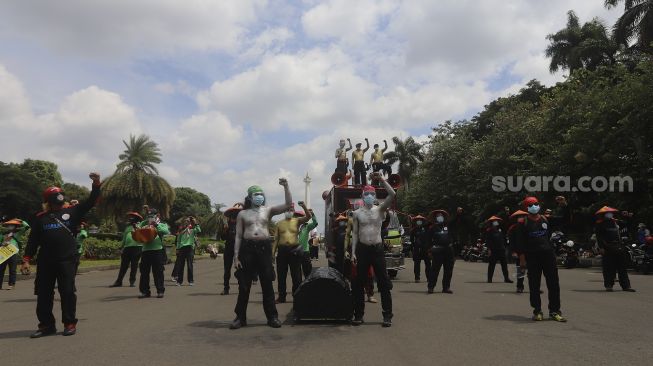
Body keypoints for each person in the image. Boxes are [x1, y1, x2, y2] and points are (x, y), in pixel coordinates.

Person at [22, 172, 101, 338]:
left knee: (67, 292)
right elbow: (33, 240)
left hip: (67, 260)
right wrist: (26, 259)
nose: (58, 197)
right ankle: (46, 326)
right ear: (47, 200)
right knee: (43, 294)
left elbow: (92, 201)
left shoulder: (73, 211)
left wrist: (96, 183)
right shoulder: (40, 218)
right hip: (45, 262)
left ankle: (69, 323)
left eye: (59, 194)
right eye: (54, 195)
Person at [230, 179, 292, 330]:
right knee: (244, 285)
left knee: (267, 283)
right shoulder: (242, 214)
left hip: (264, 248)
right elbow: (238, 235)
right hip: (247, 248)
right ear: (250, 197)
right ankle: (240, 317)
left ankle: (272, 317)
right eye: (257, 194)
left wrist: (286, 186)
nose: (260, 196)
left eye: (261, 194)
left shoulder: (268, 210)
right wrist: (236, 256)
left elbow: (287, 205)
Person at [351, 173, 396, 327]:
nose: (369, 196)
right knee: (357, 283)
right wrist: (352, 253)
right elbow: (355, 234)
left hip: (377, 249)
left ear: (375, 195)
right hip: (362, 250)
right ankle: (358, 315)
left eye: (372, 193)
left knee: (383, 282)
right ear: (362, 195)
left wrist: (382, 179)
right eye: (366, 193)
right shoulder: (356, 213)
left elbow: (392, 193)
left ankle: (387, 315)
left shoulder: (380, 209)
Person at [513, 196, 566, 322]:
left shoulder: (545, 219)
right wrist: (522, 259)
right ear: (526, 208)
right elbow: (519, 243)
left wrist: (563, 205)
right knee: (534, 285)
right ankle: (537, 311)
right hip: (532, 257)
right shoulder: (522, 223)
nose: (533, 206)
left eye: (535, 204)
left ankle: (554, 311)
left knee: (553, 284)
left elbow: (564, 219)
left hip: (548, 255)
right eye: (530, 205)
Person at [272, 202, 311, 303]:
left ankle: (297, 296)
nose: (288, 211)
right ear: (284, 211)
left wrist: (304, 206)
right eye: (287, 210)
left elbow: (308, 217)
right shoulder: (279, 223)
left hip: (294, 250)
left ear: (293, 211)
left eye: (290, 210)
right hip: (282, 250)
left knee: (296, 275)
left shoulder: (297, 221)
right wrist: (272, 253)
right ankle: (281, 296)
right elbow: (276, 239)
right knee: (281, 275)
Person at [594, 206, 635, 292]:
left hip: (619, 247)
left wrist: (628, 217)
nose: (610, 214)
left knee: (622, 268)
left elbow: (628, 225)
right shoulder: (600, 224)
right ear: (604, 215)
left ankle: (626, 286)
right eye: (608, 213)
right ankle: (609, 285)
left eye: (611, 213)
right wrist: (601, 247)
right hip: (607, 248)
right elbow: (599, 237)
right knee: (609, 268)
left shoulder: (615, 222)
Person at [136, 209, 170, 299]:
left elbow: (166, 232)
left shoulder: (162, 224)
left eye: (152, 215)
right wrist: (145, 222)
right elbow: (137, 229)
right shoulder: (144, 225)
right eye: (149, 215)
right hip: (146, 250)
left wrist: (156, 224)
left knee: (158, 272)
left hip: (157, 250)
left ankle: (160, 291)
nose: (150, 217)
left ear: (157, 215)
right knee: (144, 272)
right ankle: (145, 292)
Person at [110, 212, 143, 287]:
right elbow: (124, 238)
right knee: (123, 265)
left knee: (134, 265)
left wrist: (135, 227)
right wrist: (121, 247)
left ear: (136, 219)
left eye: (133, 217)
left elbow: (141, 235)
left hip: (137, 247)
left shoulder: (140, 226)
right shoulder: (127, 227)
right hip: (127, 248)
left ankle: (132, 281)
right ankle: (119, 281)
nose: (130, 218)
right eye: (130, 217)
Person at [428, 209, 455, 294]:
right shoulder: (432, 228)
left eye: (441, 215)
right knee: (435, 270)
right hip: (437, 251)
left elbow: (456, 221)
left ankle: (446, 287)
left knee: (448, 270)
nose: (440, 217)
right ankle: (431, 287)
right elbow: (428, 240)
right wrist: (429, 250)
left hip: (448, 250)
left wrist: (458, 214)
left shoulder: (448, 226)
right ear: (435, 218)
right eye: (438, 216)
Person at [220, 203, 243, 295]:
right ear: (230, 214)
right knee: (227, 269)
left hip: (240, 249)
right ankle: (226, 288)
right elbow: (222, 238)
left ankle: (241, 287)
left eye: (237, 212)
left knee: (240, 269)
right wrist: (225, 230)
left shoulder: (242, 224)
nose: (235, 214)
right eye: (233, 212)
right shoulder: (227, 225)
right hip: (228, 248)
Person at [1, 218, 30, 290]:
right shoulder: (3, 234)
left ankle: (11, 284)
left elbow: (27, 227)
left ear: (15, 226)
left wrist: (21, 221)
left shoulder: (18, 233)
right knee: (1, 270)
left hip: (13, 253)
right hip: (4, 253)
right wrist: (2, 243)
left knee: (12, 270)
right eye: (9, 225)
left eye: (12, 225)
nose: (10, 226)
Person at [483, 216, 513, 283]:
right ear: (492, 223)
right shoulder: (489, 230)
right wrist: (489, 249)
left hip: (501, 249)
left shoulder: (500, 230)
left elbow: (503, 238)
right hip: (493, 250)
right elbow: (488, 241)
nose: (496, 222)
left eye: (496, 221)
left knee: (504, 265)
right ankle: (489, 279)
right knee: (492, 265)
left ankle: (506, 278)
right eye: (494, 221)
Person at [174, 216, 201, 286]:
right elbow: (178, 240)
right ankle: (179, 281)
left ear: (190, 222)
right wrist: (177, 249)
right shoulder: (181, 230)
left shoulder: (193, 229)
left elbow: (199, 230)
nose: (187, 222)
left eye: (188, 221)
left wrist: (196, 222)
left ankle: (191, 281)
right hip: (182, 248)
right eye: (186, 221)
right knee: (181, 265)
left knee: (190, 265)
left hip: (190, 248)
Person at [507, 210, 528, 293]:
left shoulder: (529, 226)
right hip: (520, 252)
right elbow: (512, 242)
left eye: (523, 216)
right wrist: (513, 252)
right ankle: (519, 286)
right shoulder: (513, 228)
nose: (522, 218)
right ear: (516, 218)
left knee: (534, 271)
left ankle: (535, 287)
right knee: (521, 270)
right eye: (519, 216)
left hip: (531, 251)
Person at [297, 203, 318, 278]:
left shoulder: (307, 226)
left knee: (307, 271)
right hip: (295, 252)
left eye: (301, 217)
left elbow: (315, 223)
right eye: (298, 216)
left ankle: (308, 285)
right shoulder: (293, 226)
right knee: (296, 272)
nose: (299, 218)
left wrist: (313, 214)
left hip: (305, 251)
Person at [409, 215, 431, 283]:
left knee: (428, 264)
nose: (419, 221)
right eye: (417, 220)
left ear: (422, 221)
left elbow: (431, 222)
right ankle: (417, 278)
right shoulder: (413, 230)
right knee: (417, 264)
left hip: (425, 248)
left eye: (420, 220)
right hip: (417, 249)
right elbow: (411, 240)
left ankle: (429, 277)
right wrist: (413, 248)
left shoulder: (426, 228)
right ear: (415, 221)